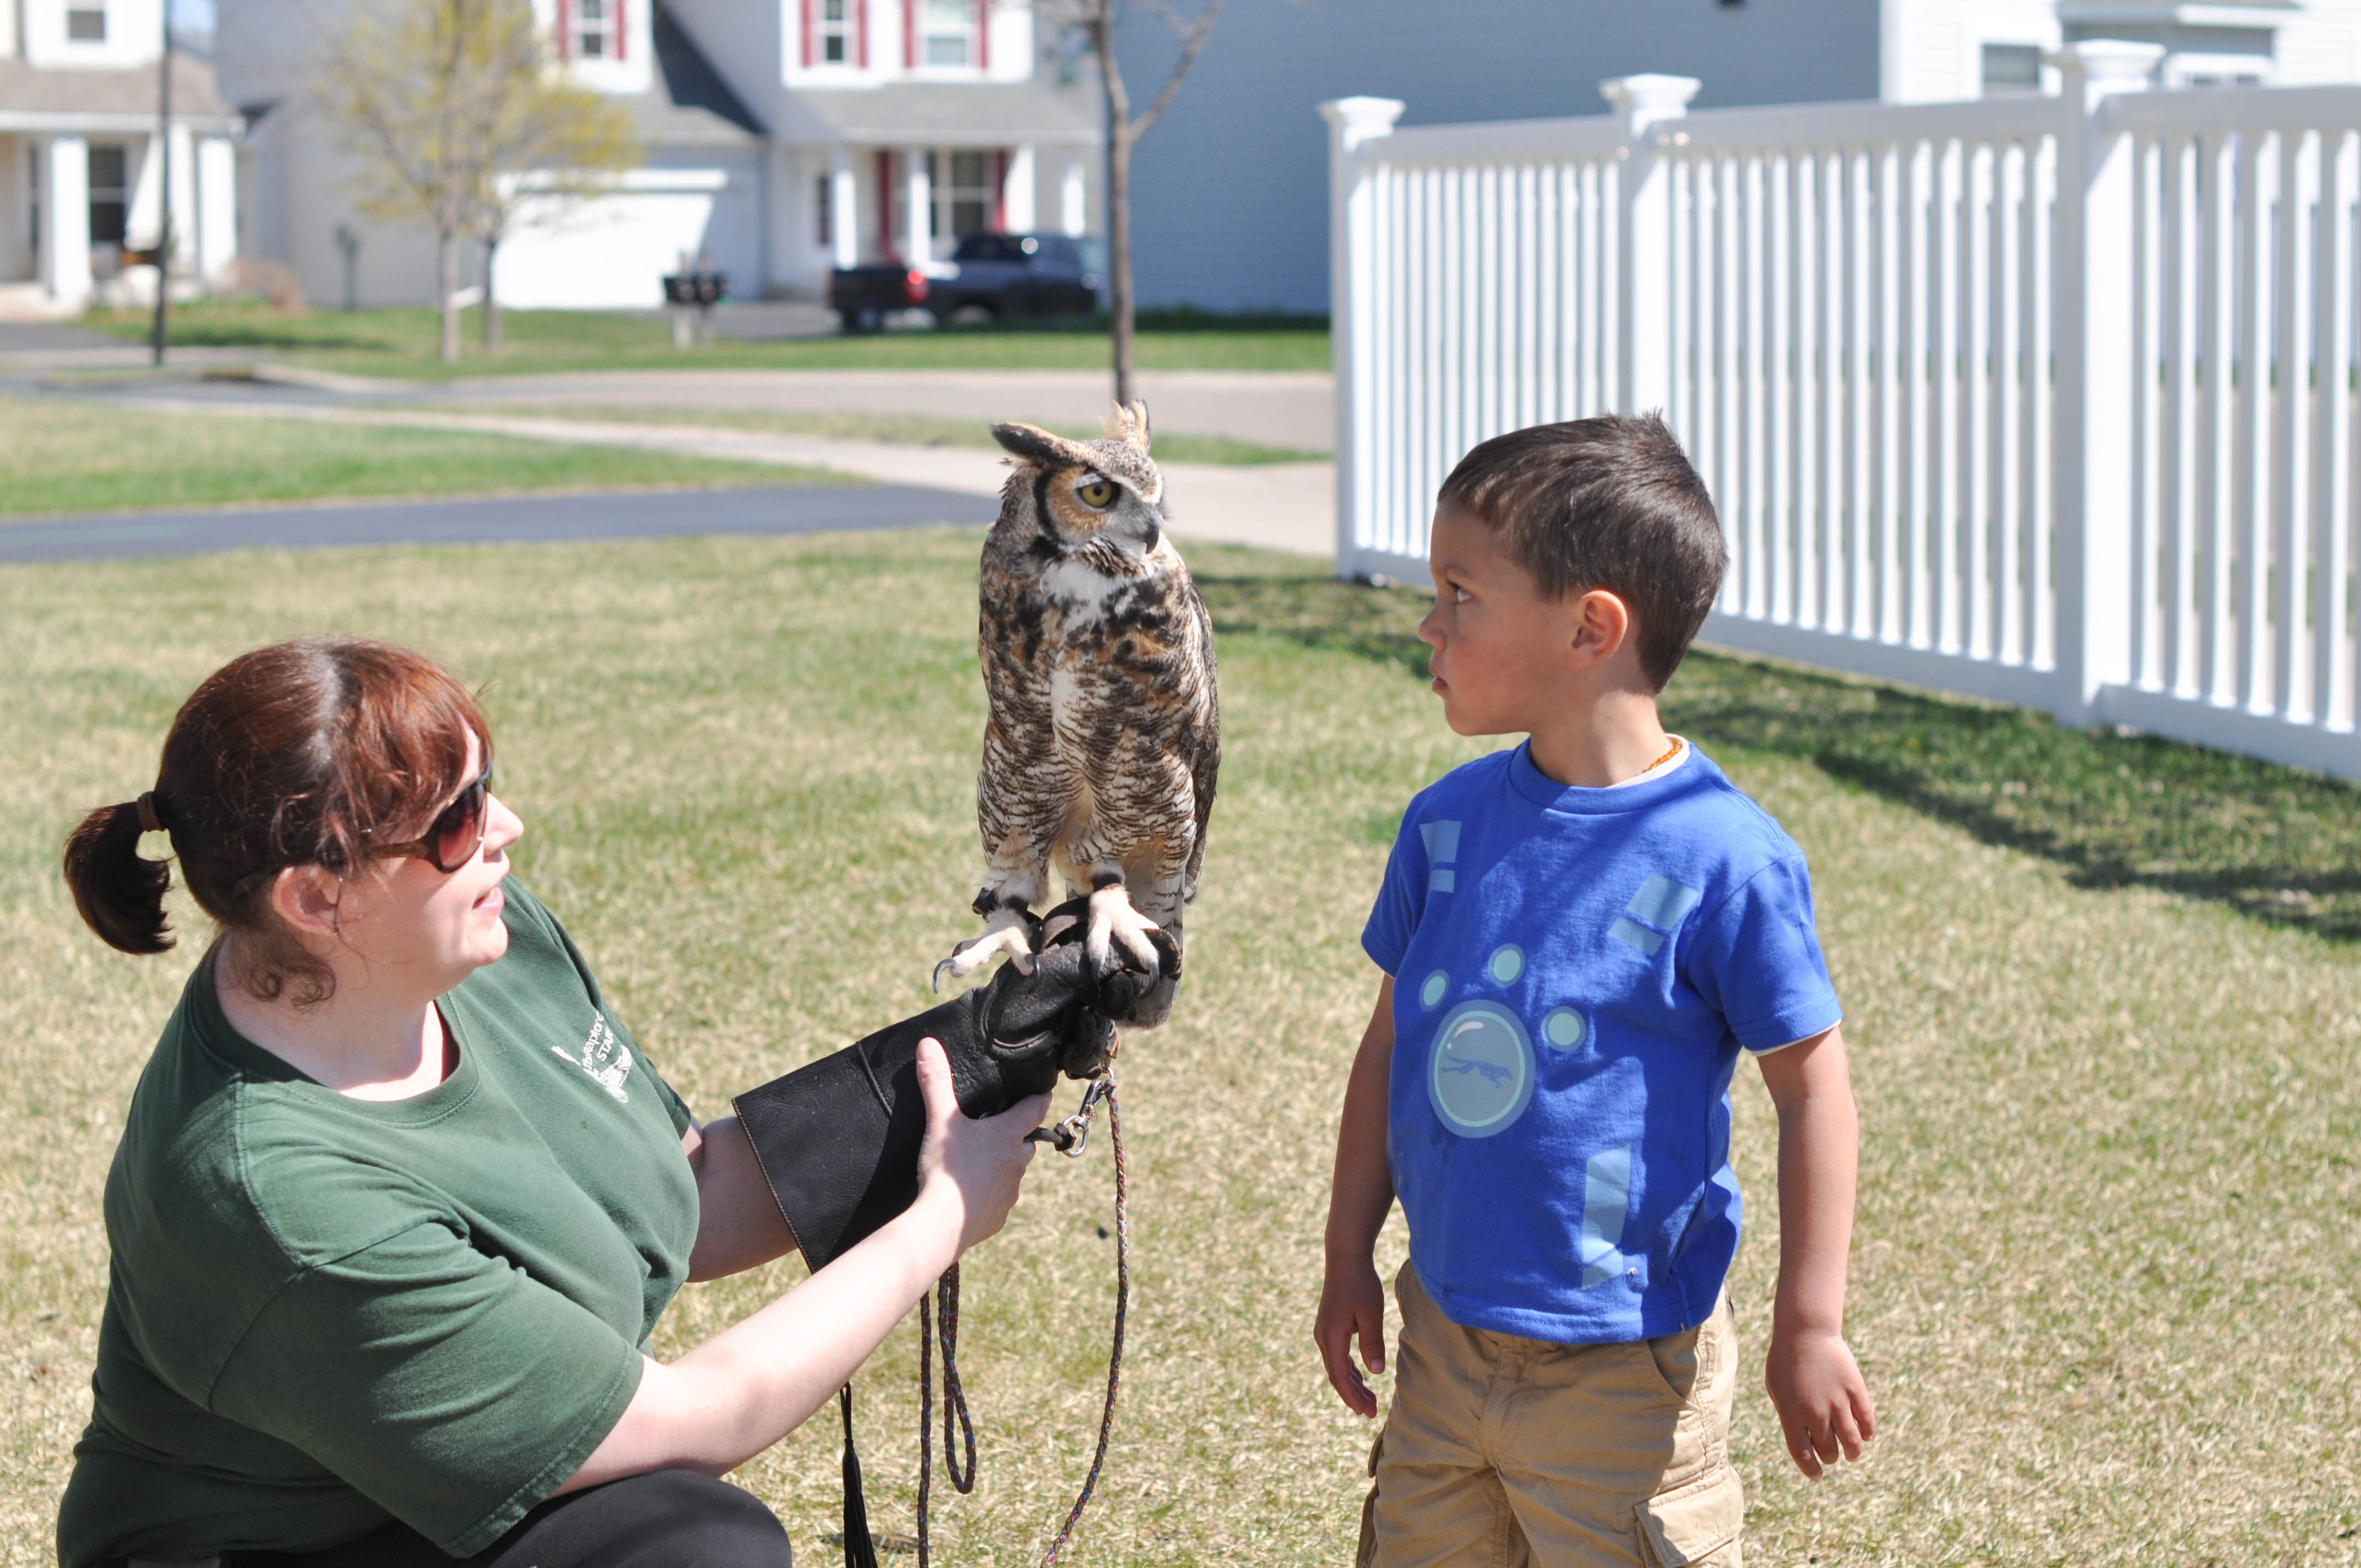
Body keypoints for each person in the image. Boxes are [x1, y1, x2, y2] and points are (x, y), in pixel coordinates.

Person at [55, 639, 1079, 1568]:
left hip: (419, 1507)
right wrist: (941, 1218)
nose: (506, 828)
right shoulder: (279, 1197)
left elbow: (680, 1195)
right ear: (318, 899)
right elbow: (698, 1415)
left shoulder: (466, 947)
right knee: (698, 1555)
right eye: (456, 821)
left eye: (485, 787)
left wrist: (978, 1047)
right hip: (279, 1550)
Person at [1313, 416, 1876, 1568]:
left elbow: (1812, 1090)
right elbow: (1388, 1053)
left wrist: (1807, 1322)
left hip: (1626, 1372)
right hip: (1442, 1341)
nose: (1428, 621)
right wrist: (1344, 1253)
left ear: (1589, 627)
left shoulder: (1723, 857)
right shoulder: (1445, 827)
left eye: (1458, 590)